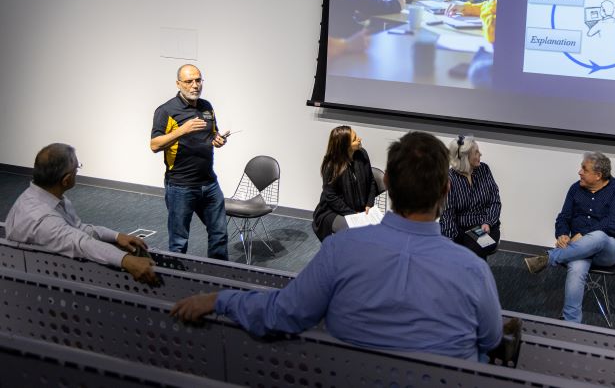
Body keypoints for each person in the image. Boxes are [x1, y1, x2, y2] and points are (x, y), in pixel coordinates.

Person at [171, 131, 503, 361]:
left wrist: (220, 299)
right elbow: (491, 340)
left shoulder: (340, 249)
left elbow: (281, 313)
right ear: (446, 190)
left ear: (388, 183)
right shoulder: (472, 270)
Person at [5, 143, 159, 285]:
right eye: (76, 168)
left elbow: (79, 229)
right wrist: (126, 260)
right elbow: (81, 243)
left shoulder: (45, 197)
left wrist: (116, 236)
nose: (77, 172)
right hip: (43, 283)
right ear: (66, 180)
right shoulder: (43, 219)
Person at [524, 152, 615, 323]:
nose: (579, 172)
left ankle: (549, 258)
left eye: (584, 169)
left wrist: (584, 234)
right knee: (577, 268)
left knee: (599, 236)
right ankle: (571, 323)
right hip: (579, 249)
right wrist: (563, 234)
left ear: (598, 175)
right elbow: (563, 217)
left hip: (608, 250)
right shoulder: (575, 189)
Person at [151, 64, 229, 260]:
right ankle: (178, 282)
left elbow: (211, 134)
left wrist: (218, 140)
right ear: (179, 84)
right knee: (179, 242)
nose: (195, 85)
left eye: (198, 80)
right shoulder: (166, 110)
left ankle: (219, 277)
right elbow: (154, 145)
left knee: (219, 235)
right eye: (189, 81)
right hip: (180, 186)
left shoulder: (207, 106)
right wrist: (181, 131)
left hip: (209, 184)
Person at [439, 135, 501, 260]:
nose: (480, 154)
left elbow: (495, 201)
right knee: (466, 252)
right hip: (459, 229)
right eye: (476, 152)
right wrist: (450, 242)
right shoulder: (449, 179)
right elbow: (447, 215)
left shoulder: (484, 170)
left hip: (484, 225)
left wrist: (488, 222)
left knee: (477, 249)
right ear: (465, 157)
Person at [311, 126, 378, 241]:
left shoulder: (362, 154)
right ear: (345, 146)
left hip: (360, 209)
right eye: (355, 139)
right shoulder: (331, 166)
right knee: (357, 233)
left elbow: (371, 181)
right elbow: (331, 197)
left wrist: (369, 204)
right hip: (333, 211)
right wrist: (352, 213)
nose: (360, 139)